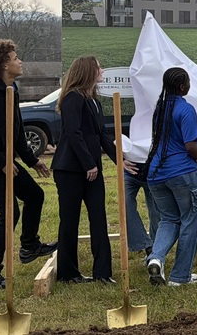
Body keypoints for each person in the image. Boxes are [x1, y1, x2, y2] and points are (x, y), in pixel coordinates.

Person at [0, 39, 56, 289]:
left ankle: (29, 246)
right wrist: (1, 163)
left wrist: (33, 160)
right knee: (9, 212)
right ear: (4, 64)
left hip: (4, 162)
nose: (20, 62)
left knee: (35, 195)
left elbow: (16, 134)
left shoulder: (11, 91)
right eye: (16, 58)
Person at [51, 56, 119, 284]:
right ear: (88, 71)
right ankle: (68, 272)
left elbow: (102, 135)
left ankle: (103, 272)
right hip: (70, 169)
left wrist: (120, 160)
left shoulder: (94, 101)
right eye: (99, 67)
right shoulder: (73, 98)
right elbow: (73, 132)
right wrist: (88, 163)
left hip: (92, 170)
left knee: (98, 217)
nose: (102, 70)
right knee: (70, 219)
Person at [144, 68, 197, 287]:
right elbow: (190, 145)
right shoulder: (186, 109)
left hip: (156, 172)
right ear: (183, 86)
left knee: (169, 219)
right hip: (182, 173)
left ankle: (156, 258)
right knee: (190, 222)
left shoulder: (160, 107)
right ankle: (180, 276)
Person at [123, 124, 160, 259]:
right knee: (125, 206)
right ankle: (146, 244)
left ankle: (156, 252)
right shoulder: (126, 114)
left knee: (156, 213)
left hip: (152, 172)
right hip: (130, 171)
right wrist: (121, 160)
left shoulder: (159, 113)